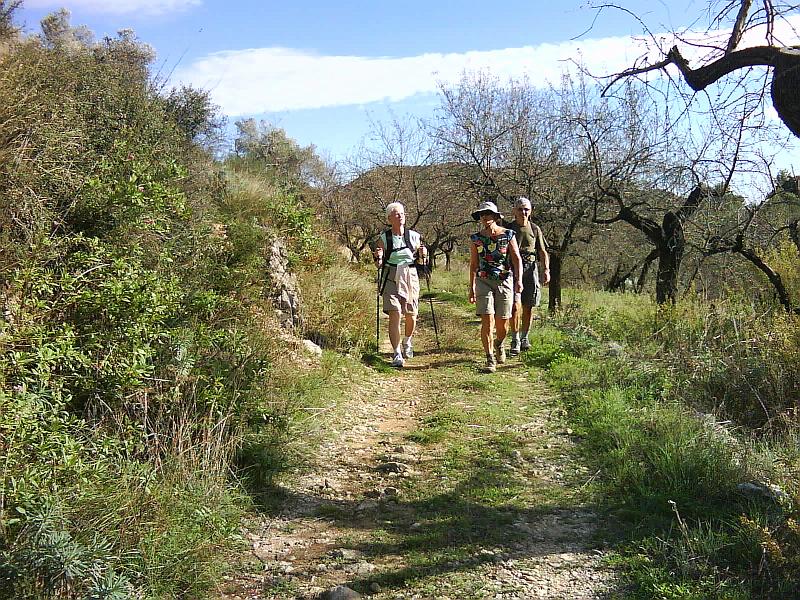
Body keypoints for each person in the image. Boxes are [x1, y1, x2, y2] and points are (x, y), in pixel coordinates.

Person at [468, 200, 523, 373]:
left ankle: (499, 343)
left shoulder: (508, 235)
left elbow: (516, 259)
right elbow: (473, 264)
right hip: (483, 281)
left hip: (504, 280)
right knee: (487, 319)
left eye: (488, 214)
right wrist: (471, 287)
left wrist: (519, 280)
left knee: (502, 322)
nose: (485, 217)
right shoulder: (476, 239)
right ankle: (489, 358)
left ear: (496, 216)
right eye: (482, 215)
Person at [373, 202, 427, 368]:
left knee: (411, 313)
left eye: (402, 213)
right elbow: (378, 265)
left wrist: (423, 255)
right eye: (396, 214)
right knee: (395, 313)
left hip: (410, 276)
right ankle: (396, 353)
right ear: (389, 218)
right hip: (391, 276)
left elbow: (423, 261)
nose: (400, 216)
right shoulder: (384, 239)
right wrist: (378, 256)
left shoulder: (414, 236)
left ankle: (407, 341)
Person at [505, 197, 550, 355]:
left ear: (530, 211)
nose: (523, 212)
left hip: (531, 268)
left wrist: (546, 270)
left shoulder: (535, 229)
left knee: (529, 304)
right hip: (512, 269)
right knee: (514, 305)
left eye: (526, 209)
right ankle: (515, 338)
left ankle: (525, 337)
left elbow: (542, 251)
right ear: (514, 211)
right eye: (520, 209)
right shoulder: (508, 228)